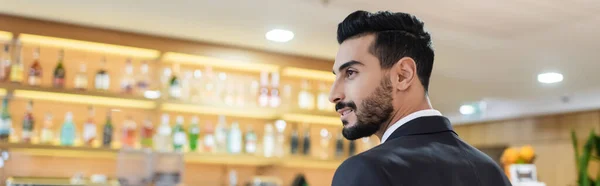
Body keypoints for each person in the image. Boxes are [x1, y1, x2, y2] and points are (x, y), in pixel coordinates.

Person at [329, 10, 512, 186]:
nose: (333, 95)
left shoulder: (366, 170)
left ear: (403, 75)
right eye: (336, 76)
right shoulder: (491, 171)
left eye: (350, 73)